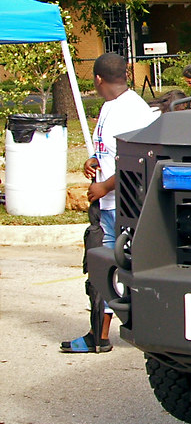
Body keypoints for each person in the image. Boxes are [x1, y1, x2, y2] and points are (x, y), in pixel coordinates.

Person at [60, 53, 159, 353]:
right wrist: (94, 161)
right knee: (102, 270)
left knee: (122, 271)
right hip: (106, 206)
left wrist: (105, 185)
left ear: (98, 79)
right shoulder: (109, 106)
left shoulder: (133, 110)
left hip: (126, 206)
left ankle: (121, 333)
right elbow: (107, 150)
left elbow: (140, 161)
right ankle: (99, 335)